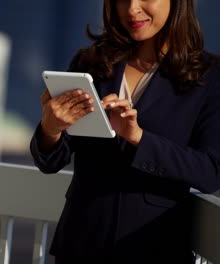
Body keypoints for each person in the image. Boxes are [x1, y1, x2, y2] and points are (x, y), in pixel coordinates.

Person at [30, 0, 220, 263]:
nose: (131, 9)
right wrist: (50, 129)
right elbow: (51, 161)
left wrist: (138, 138)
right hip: (80, 244)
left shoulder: (209, 77)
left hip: (155, 248)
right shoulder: (90, 62)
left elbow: (211, 172)